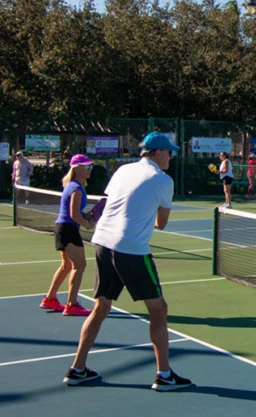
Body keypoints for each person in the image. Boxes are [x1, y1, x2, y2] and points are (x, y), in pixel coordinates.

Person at [64, 132, 192, 391]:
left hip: (102, 242)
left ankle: (77, 369)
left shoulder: (122, 170)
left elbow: (110, 203)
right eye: (169, 152)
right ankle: (164, 376)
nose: (171, 156)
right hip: (131, 249)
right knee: (158, 309)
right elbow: (161, 223)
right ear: (157, 153)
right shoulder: (163, 180)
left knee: (101, 308)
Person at [39, 154, 95, 316]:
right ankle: (72, 304)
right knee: (80, 265)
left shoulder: (73, 186)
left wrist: (88, 215)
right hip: (68, 229)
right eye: (86, 166)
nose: (89, 169)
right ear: (77, 169)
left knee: (67, 266)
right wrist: (88, 224)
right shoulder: (76, 188)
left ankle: (50, 298)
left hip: (63, 228)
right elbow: (73, 215)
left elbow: (77, 213)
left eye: (90, 166)